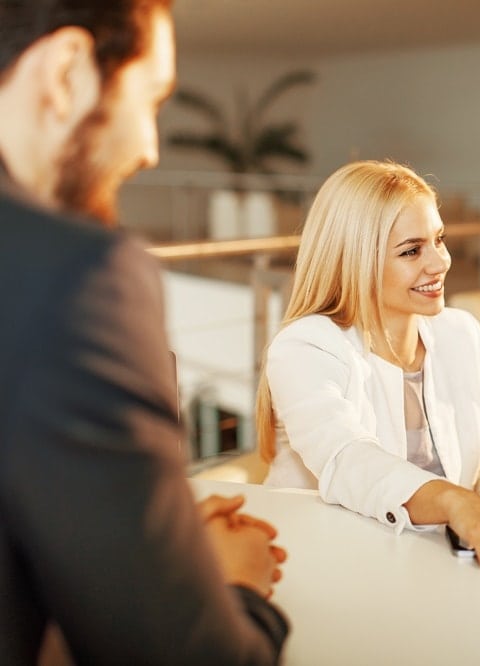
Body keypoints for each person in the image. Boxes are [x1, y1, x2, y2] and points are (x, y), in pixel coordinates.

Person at [0, 1, 288, 662]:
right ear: (66, 71)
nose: (150, 149)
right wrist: (238, 584)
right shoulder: (72, 277)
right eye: (152, 98)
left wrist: (149, 543)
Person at [256, 160, 480, 568]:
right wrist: (455, 502)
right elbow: (348, 461)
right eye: (412, 251)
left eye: (439, 239)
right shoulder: (306, 347)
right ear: (355, 259)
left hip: (432, 568)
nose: (439, 263)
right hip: (323, 565)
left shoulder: (459, 334)